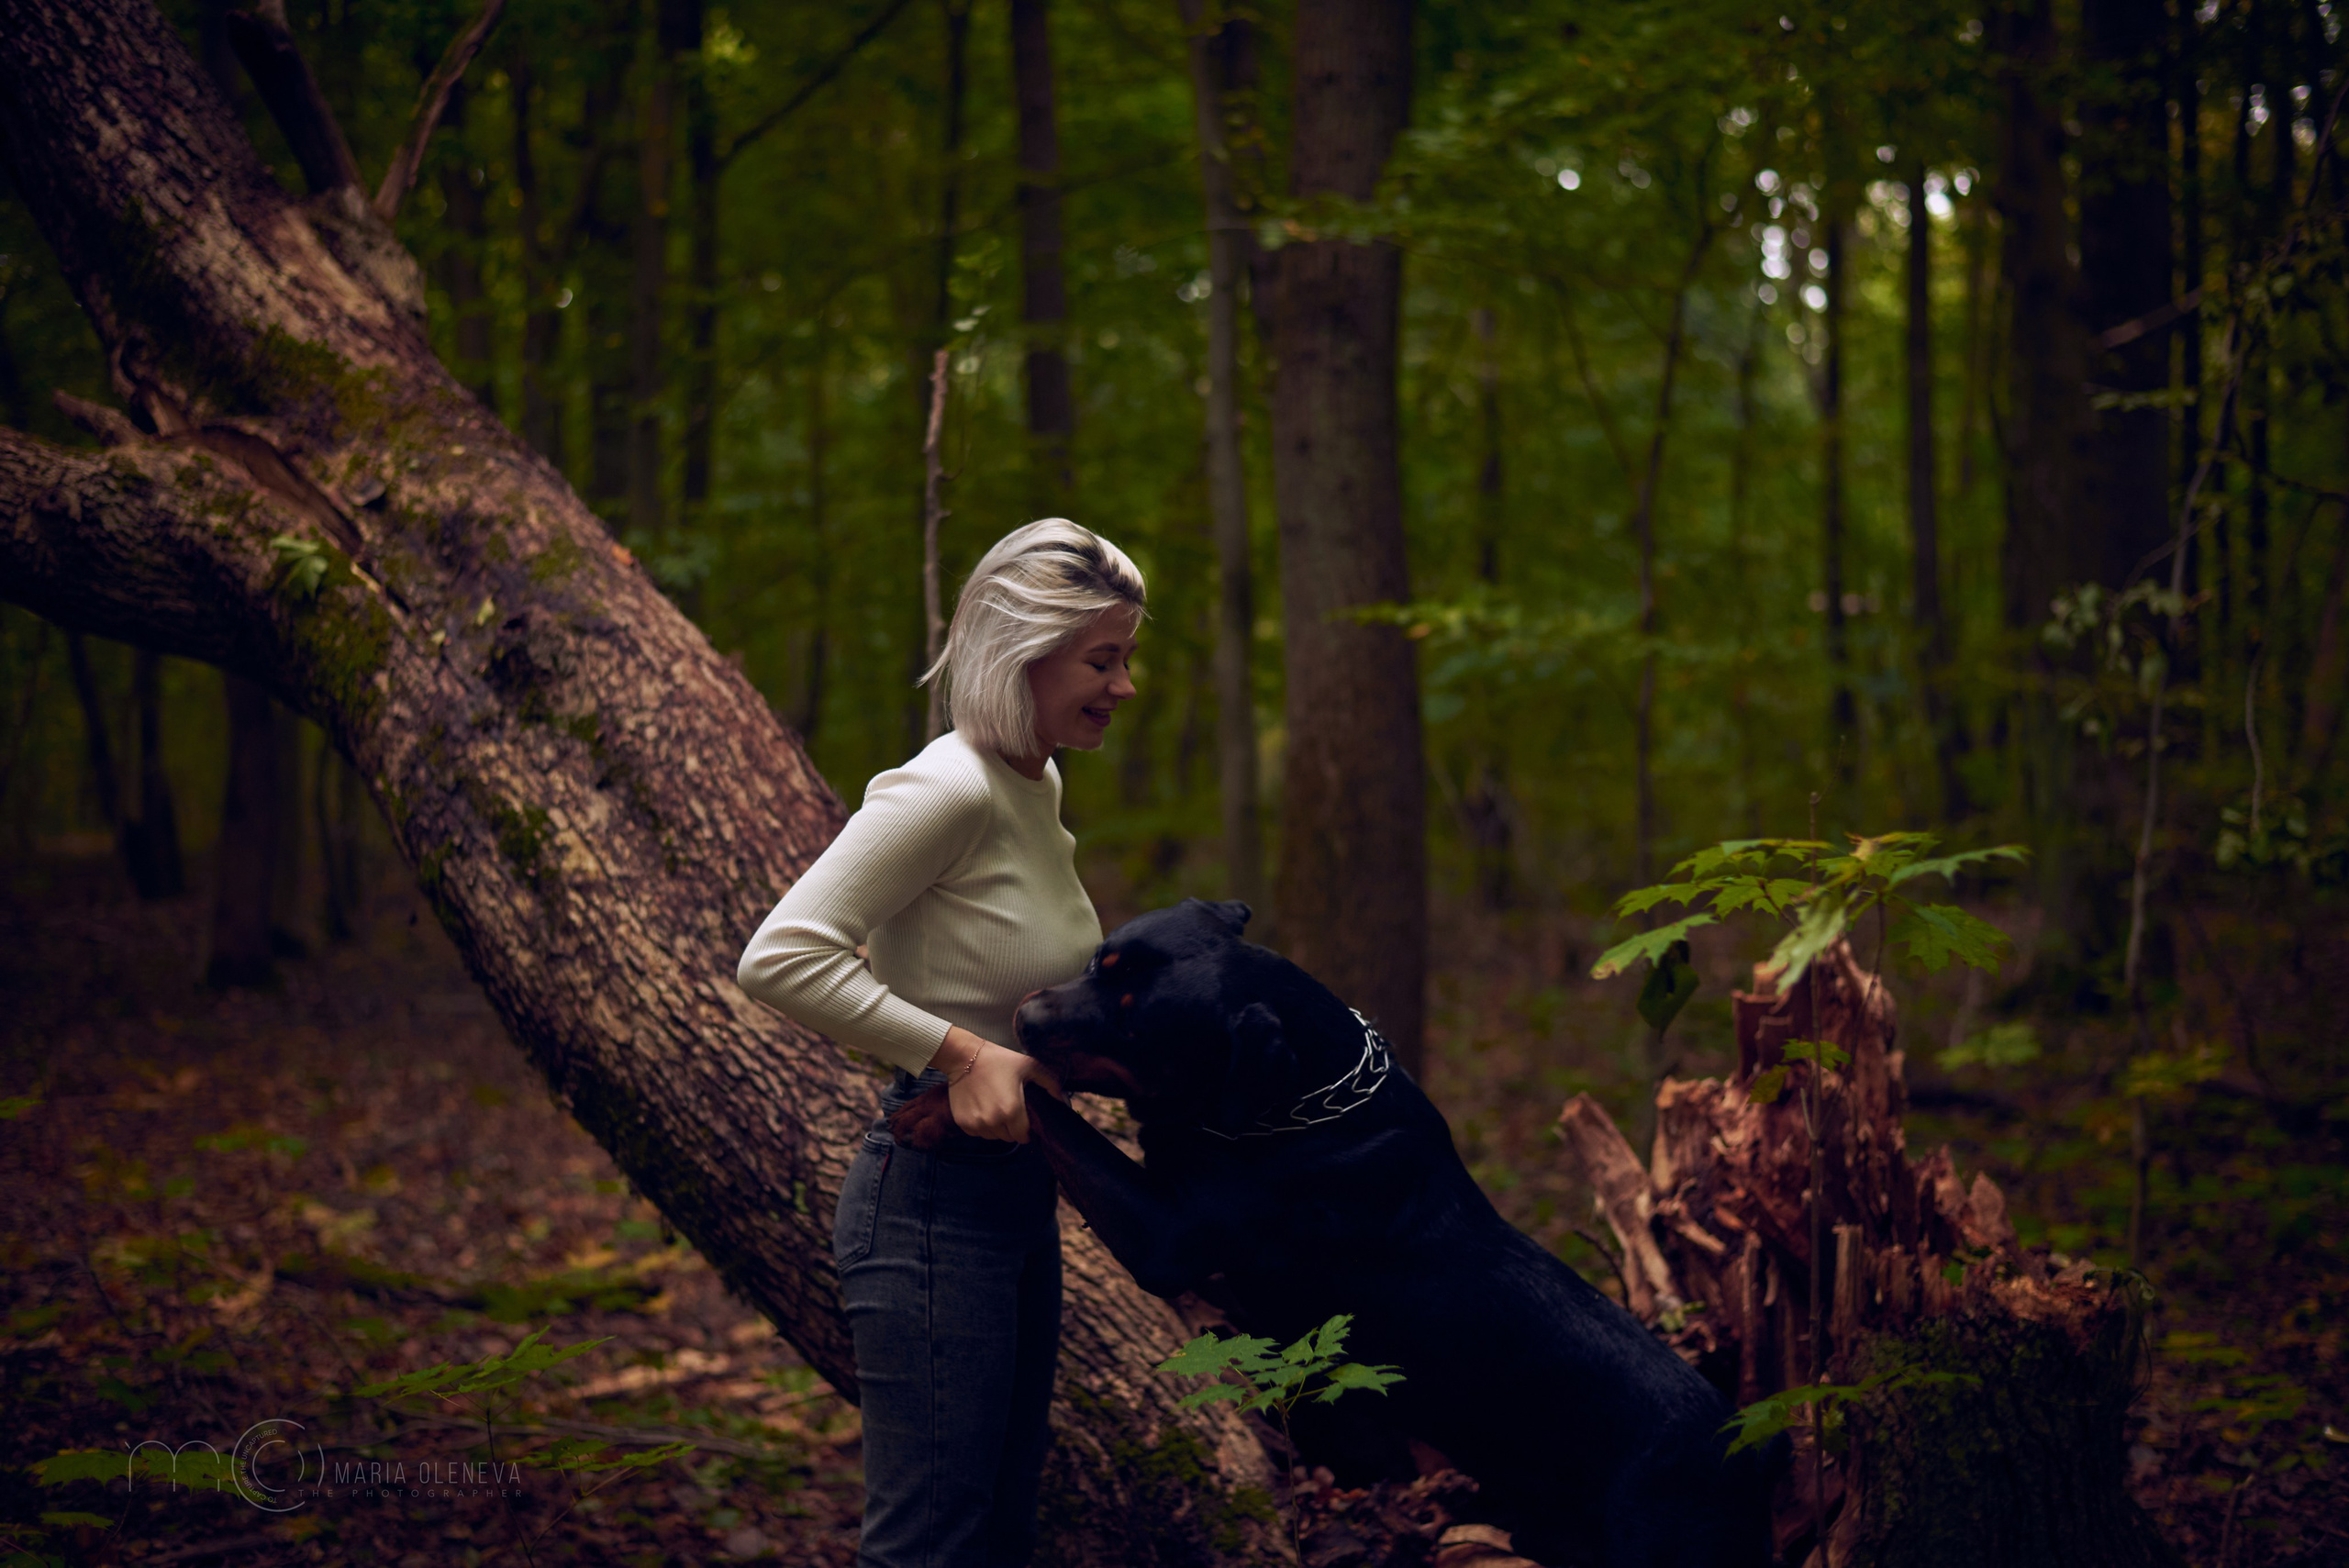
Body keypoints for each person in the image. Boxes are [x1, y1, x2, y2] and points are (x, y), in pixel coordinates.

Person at [736, 518, 1144, 1568]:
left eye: (1124, 658)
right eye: (1102, 660)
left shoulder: (1034, 780)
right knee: (929, 1542)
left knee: (1001, 1529)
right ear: (1023, 652)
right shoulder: (947, 786)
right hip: (929, 1205)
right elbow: (780, 955)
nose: (1124, 686)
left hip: (1017, 1191)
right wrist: (963, 1053)